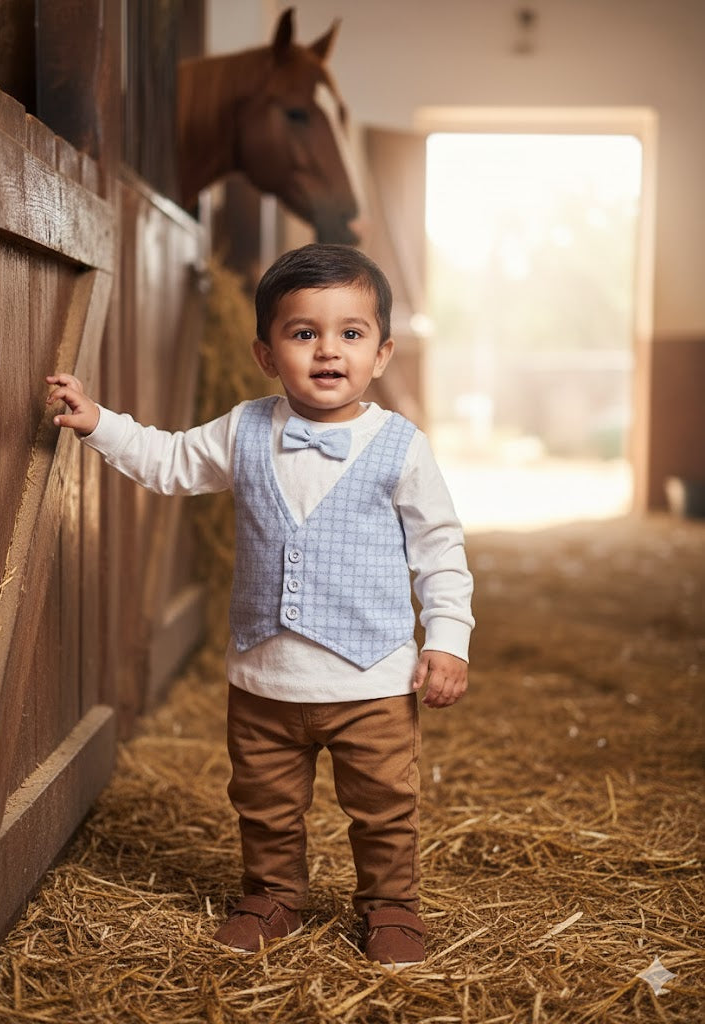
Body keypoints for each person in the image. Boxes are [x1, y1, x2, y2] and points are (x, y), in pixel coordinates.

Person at [46, 243, 474, 969]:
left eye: (350, 333)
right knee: (265, 804)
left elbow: (439, 549)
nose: (328, 351)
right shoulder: (242, 429)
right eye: (303, 333)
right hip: (262, 680)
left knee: (382, 808)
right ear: (266, 353)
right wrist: (98, 422)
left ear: (382, 352)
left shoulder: (400, 447)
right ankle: (273, 893)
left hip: (370, 680)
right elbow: (168, 460)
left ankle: (390, 904)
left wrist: (448, 639)